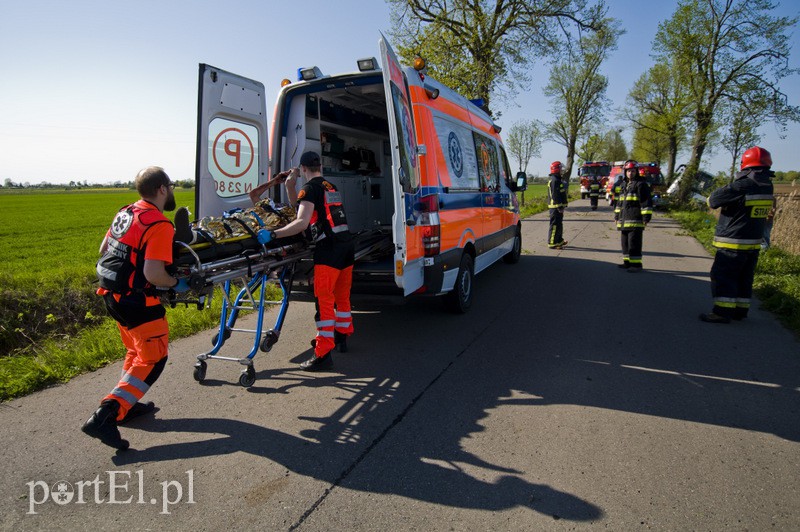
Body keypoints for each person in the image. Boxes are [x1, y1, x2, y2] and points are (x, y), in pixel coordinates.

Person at [82, 167, 189, 450]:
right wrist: (176, 282)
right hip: (138, 302)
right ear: (163, 189)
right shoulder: (159, 225)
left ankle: (125, 407)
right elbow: (154, 274)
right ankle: (106, 414)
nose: (173, 192)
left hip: (112, 295)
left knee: (136, 351)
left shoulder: (126, 212)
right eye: (172, 187)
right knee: (153, 358)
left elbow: (105, 247)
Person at [255, 151, 354, 370]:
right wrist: (290, 187)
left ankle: (323, 354)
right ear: (319, 166)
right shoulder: (330, 186)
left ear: (303, 168)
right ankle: (342, 337)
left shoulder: (309, 188)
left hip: (329, 251)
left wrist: (274, 234)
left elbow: (301, 221)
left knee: (324, 302)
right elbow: (303, 208)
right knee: (342, 296)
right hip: (346, 245)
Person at [700, 146, 775, 324]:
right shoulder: (767, 186)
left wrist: (730, 185)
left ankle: (721, 312)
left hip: (734, 242)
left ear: (745, 165)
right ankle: (740, 311)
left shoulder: (743, 185)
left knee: (723, 276)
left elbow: (713, 200)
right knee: (744, 277)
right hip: (753, 243)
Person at [615, 160, 652, 272]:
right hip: (624, 220)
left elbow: (646, 202)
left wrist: (646, 218)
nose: (630, 173)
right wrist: (616, 217)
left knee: (634, 244)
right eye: (628, 171)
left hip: (635, 220)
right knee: (625, 243)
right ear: (625, 172)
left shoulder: (641, 185)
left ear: (636, 171)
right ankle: (627, 262)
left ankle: (636, 265)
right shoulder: (624, 185)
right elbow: (619, 202)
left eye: (632, 171)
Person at [547, 161, 568, 249]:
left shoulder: (557, 179)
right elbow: (555, 195)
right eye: (560, 169)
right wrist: (559, 206)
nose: (561, 171)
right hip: (555, 207)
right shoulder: (555, 180)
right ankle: (552, 243)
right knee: (555, 225)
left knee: (559, 224)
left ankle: (559, 240)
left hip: (558, 207)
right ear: (556, 170)